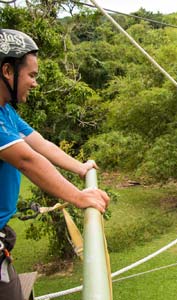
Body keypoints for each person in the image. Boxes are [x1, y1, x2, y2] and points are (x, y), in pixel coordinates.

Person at [0, 29, 110, 300]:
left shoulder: (6, 112)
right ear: (7, 70)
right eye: (32, 75)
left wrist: (81, 168)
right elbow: (27, 160)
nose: (34, 83)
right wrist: (78, 197)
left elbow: (41, 144)